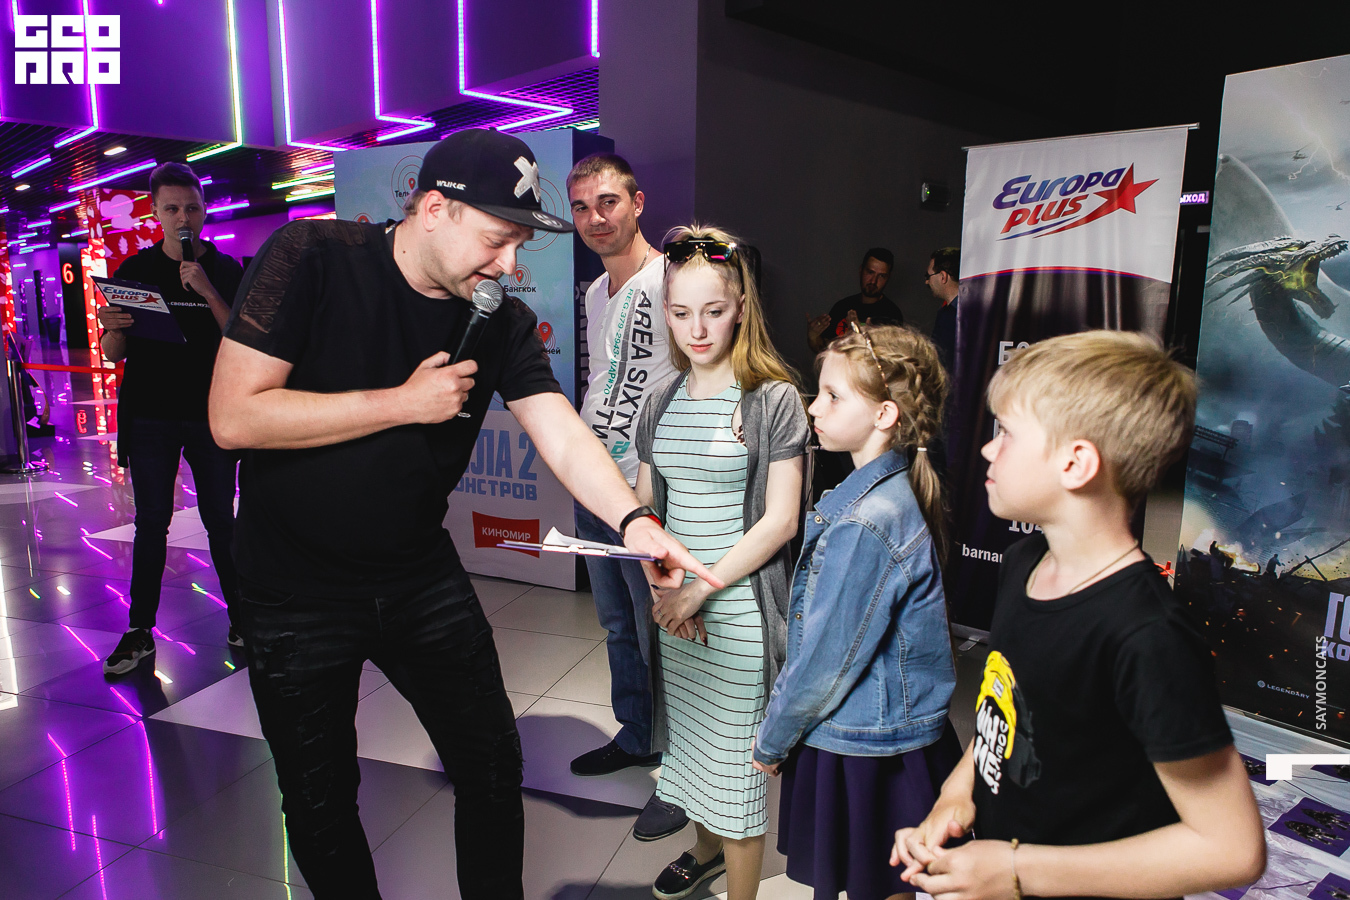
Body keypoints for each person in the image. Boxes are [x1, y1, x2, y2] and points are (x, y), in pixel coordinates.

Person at [208, 129, 720, 900]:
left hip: (418, 575)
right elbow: (232, 417)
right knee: (318, 796)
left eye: (520, 245)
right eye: (497, 240)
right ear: (434, 210)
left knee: (491, 766)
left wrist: (633, 521)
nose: (510, 266)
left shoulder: (498, 319)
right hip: (293, 591)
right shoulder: (311, 257)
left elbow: (561, 433)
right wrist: (401, 404)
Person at [893, 332, 1266, 900]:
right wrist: (956, 791)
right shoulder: (1024, 563)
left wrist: (1015, 870)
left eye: (1007, 433)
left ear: (1075, 463)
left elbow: (1232, 849)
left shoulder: (1148, 634)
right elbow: (1005, 706)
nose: (989, 450)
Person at [753, 324, 962, 900]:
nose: (814, 408)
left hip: (863, 743)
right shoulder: (893, 493)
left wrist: (773, 739)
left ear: (884, 414)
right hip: (889, 733)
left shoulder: (868, 521)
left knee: (874, 883)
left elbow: (826, 659)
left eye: (832, 396)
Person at [635, 225, 810, 900]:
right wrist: (656, 568)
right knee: (692, 747)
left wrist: (698, 591)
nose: (697, 329)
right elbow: (647, 505)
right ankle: (704, 852)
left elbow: (782, 520)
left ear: (741, 306)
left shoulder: (773, 398)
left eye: (713, 310)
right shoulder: (661, 398)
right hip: (677, 609)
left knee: (737, 775)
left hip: (737, 612)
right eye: (682, 313)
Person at [565, 153, 689, 840]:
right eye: (582, 207)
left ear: (638, 203)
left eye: (608, 202)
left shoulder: (673, 280)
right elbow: (603, 383)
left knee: (662, 627)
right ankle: (637, 734)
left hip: (651, 485)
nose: (595, 218)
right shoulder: (593, 293)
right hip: (595, 478)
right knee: (617, 624)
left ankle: (682, 768)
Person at [100, 161, 244, 675]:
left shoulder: (226, 270)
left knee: (221, 520)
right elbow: (114, 353)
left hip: (210, 414)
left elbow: (243, 340)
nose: (184, 218)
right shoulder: (135, 270)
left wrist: (207, 291)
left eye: (192, 207)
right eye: (172, 209)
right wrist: (113, 328)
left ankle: (244, 619)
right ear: (157, 213)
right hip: (151, 415)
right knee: (151, 522)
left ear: (204, 210)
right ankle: (139, 630)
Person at [807, 248, 903, 354]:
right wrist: (813, 337)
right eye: (870, 272)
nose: (873, 281)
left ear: (888, 278)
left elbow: (888, 359)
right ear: (861, 270)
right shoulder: (842, 306)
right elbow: (825, 351)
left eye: (881, 276)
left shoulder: (892, 314)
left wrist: (856, 335)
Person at [926, 246, 960, 374]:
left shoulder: (953, 315)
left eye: (928, 276)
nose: (927, 282)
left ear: (942, 276)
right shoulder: (945, 312)